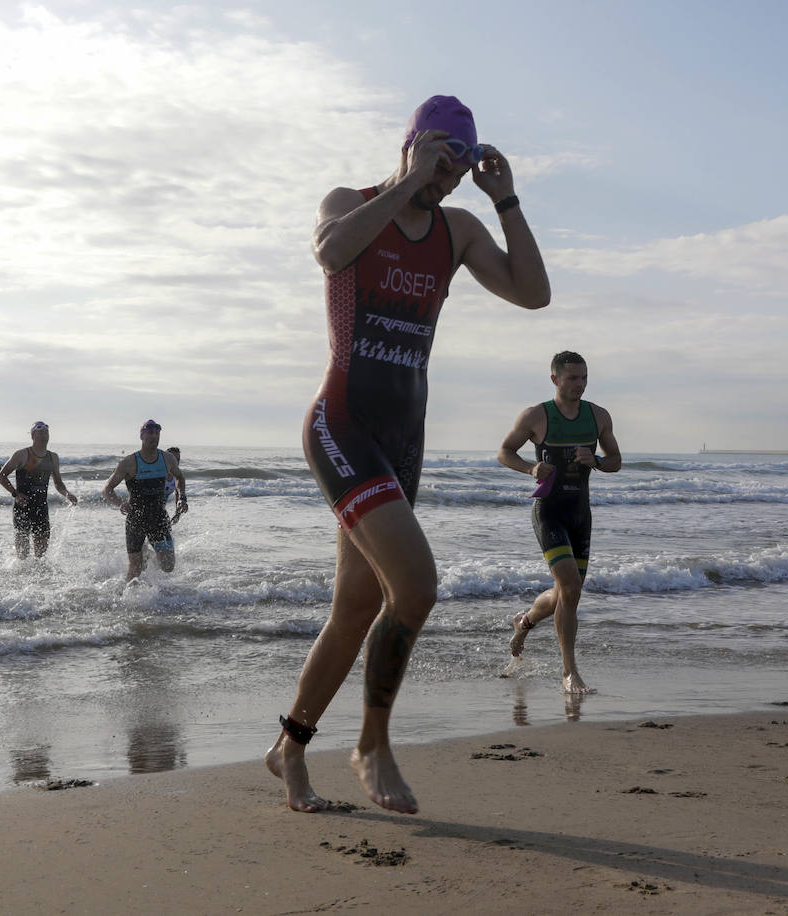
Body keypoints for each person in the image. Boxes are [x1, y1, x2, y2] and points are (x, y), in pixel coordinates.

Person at [265, 95, 550, 815]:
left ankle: (290, 749)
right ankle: (372, 743)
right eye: (439, 162)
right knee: (416, 588)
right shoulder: (352, 202)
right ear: (413, 146)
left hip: (403, 443)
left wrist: (505, 198)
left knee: (357, 607)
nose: (446, 180)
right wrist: (402, 183)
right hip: (341, 423)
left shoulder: (456, 232)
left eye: (458, 168)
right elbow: (330, 252)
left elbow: (533, 293)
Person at [498, 351, 622, 694]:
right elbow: (504, 451)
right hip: (549, 512)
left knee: (568, 593)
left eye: (583, 378)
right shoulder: (537, 416)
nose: (579, 385)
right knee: (569, 587)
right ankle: (569, 673)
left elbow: (616, 461)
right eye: (572, 378)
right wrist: (530, 468)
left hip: (580, 514)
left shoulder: (598, 416)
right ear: (555, 379)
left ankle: (523, 621)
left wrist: (595, 459)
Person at [103, 420, 187, 581]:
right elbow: (107, 489)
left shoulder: (167, 459)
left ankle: (151, 564)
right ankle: (124, 597)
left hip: (158, 518)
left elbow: (180, 477)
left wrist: (181, 497)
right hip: (136, 520)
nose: (154, 436)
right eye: (150, 433)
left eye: (157, 433)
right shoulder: (129, 462)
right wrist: (120, 503)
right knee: (136, 568)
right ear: (142, 436)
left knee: (168, 565)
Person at [0, 421, 78, 559]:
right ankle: (19, 578)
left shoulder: (53, 457)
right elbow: (1, 476)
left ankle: (39, 581)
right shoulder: (22, 454)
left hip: (41, 507)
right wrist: (15, 494)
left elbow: (58, 483)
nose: (44, 431)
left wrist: (67, 494)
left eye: (47, 429)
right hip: (23, 507)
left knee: (40, 556)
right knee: (22, 555)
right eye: (40, 429)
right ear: (33, 435)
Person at [163, 446, 187, 524]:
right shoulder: (157, 473)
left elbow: (178, 493)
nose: (176, 462)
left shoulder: (177, 477)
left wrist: (177, 513)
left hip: (160, 511)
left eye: (178, 459)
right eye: (173, 459)